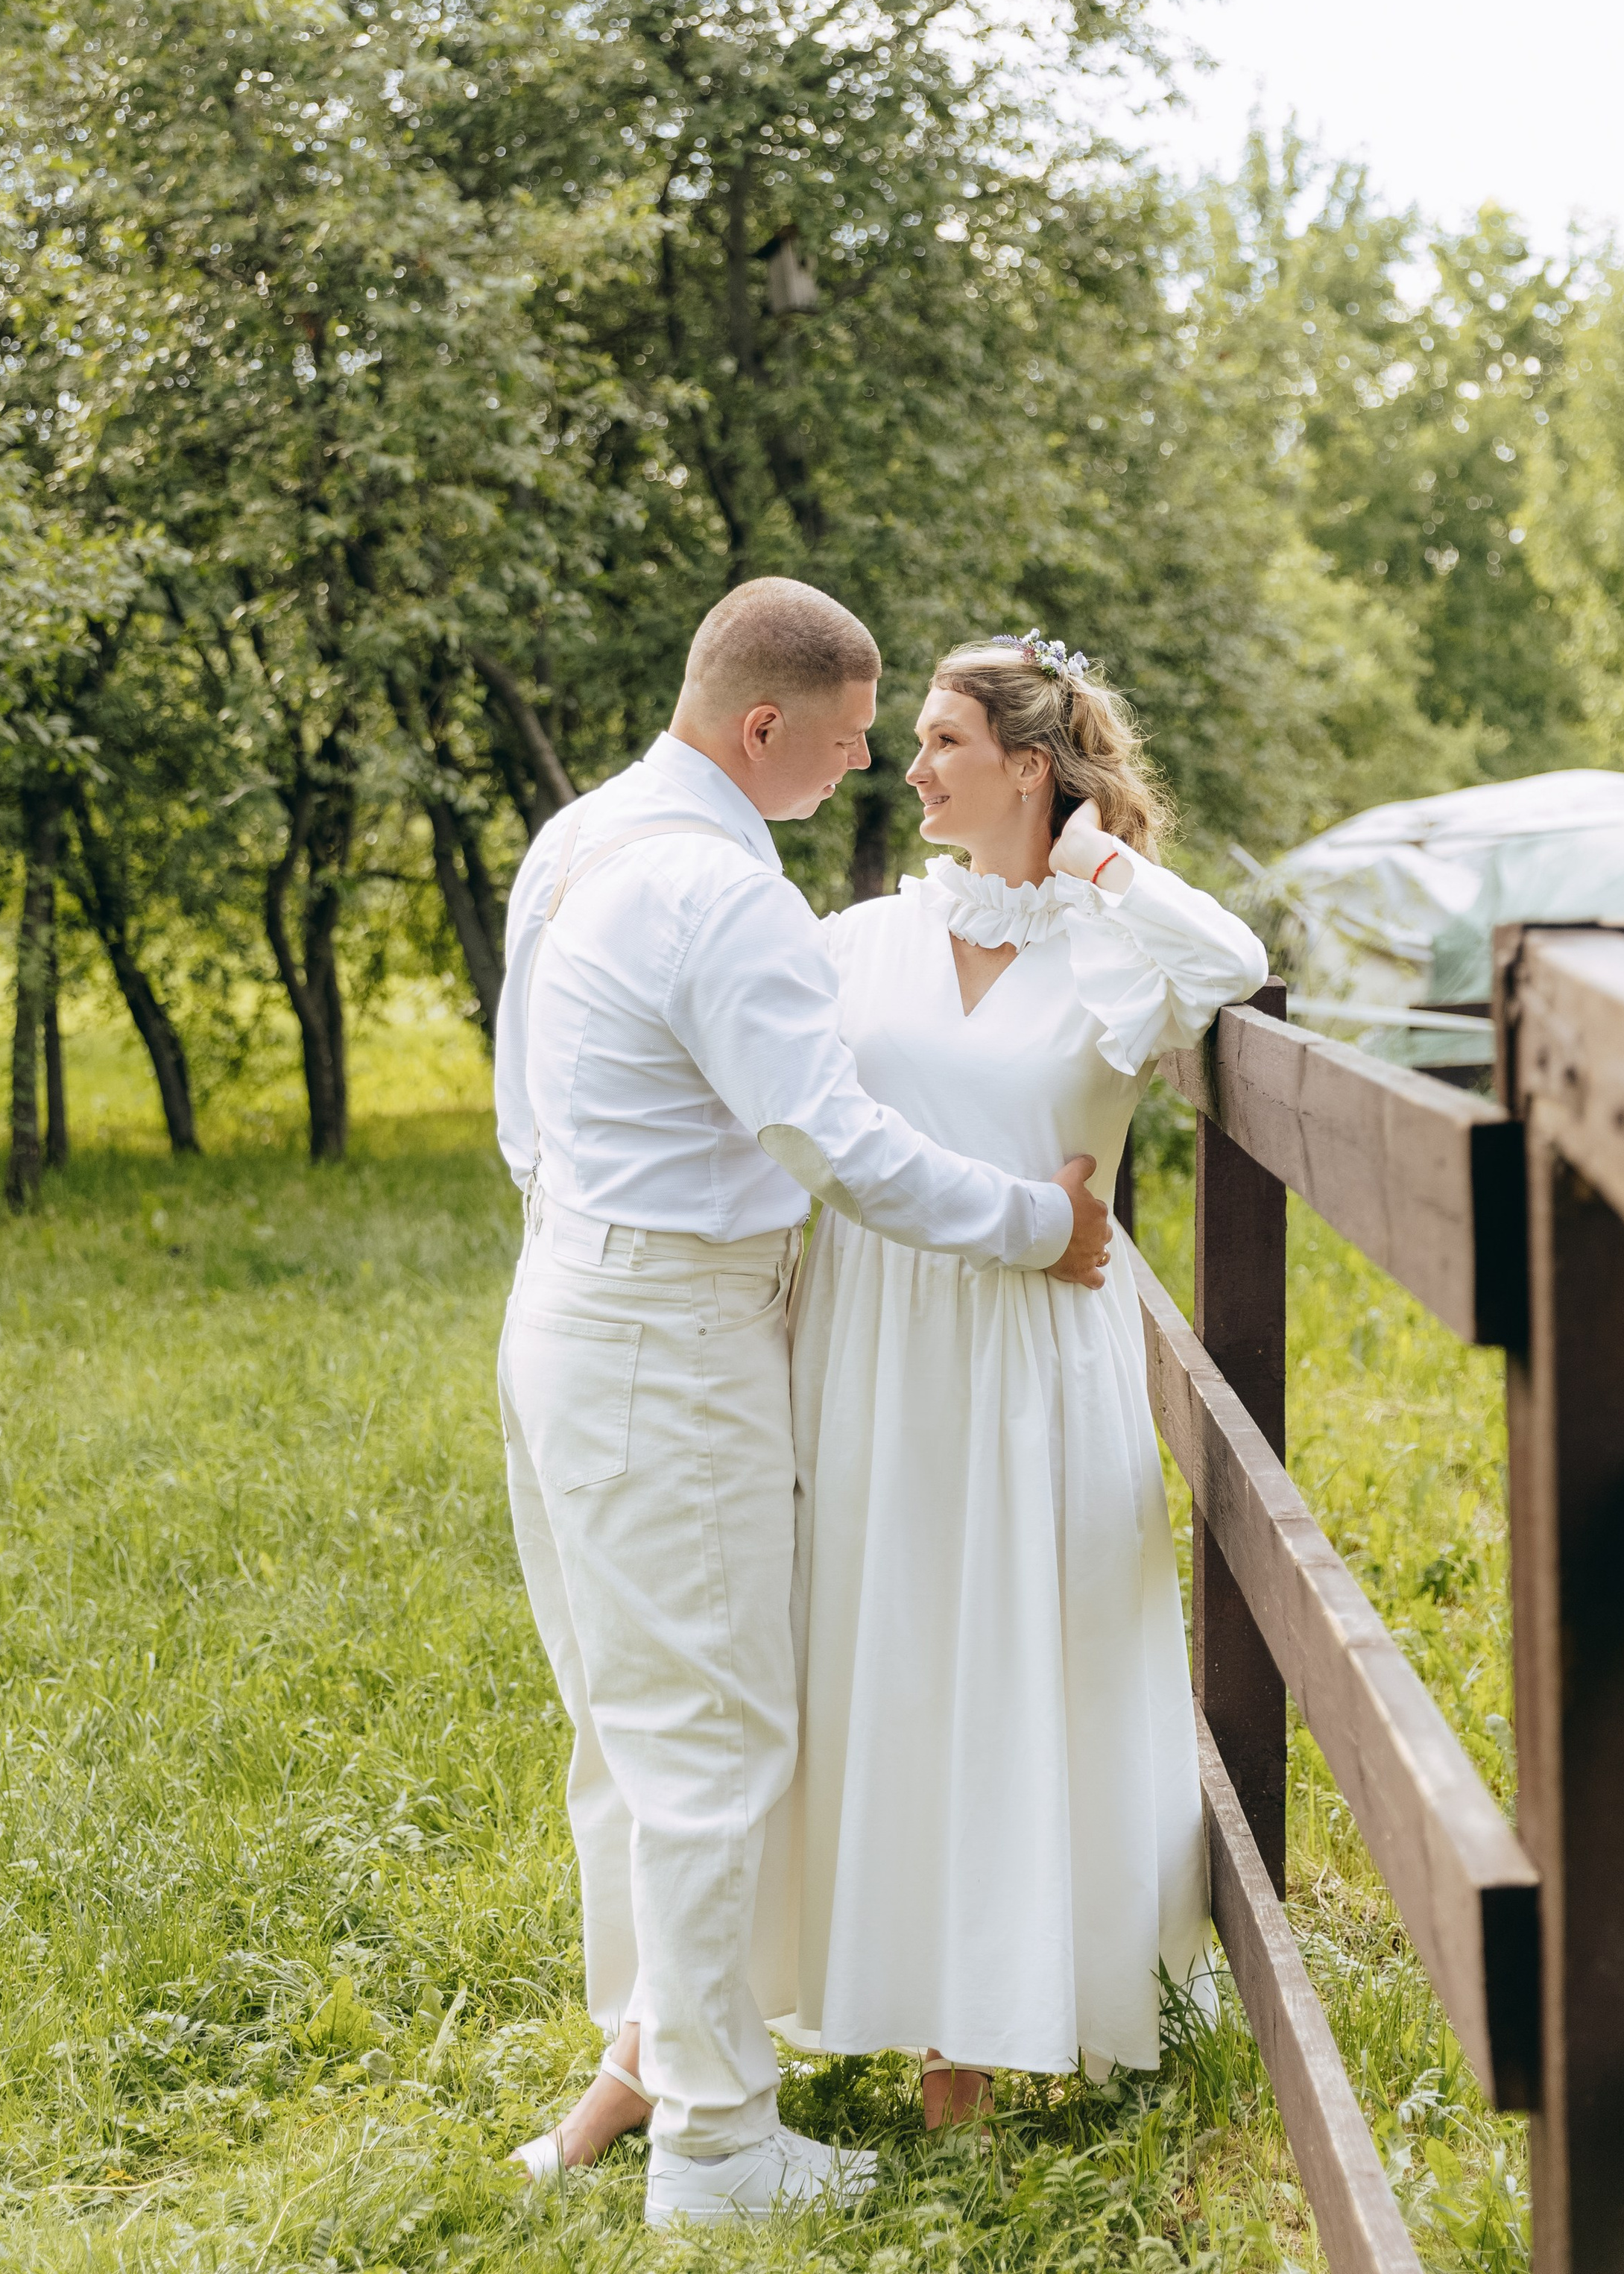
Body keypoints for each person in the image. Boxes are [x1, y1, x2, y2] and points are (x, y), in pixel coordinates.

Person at [492, 581, 1113, 2227]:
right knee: (711, 1745)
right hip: (667, 1337)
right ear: (759, 727)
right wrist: (1040, 1224)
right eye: (846, 743)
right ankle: (712, 2145)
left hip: (562, 1299)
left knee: (629, 1738)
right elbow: (835, 1147)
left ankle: (659, 2057)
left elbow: (515, 1103)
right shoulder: (723, 893)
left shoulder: (578, 843)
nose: (862, 771)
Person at [783, 631, 1268, 2122]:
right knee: (889, 1658)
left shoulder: (1109, 951)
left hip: (1034, 1363)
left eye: (938, 742)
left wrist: (1092, 865)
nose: (908, 767)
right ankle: (888, 2002)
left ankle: (991, 2035)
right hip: (870, 1353)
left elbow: (1235, 962)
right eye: (913, 739)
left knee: (1019, 1660)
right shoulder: (858, 939)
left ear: (1026, 769)